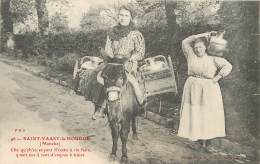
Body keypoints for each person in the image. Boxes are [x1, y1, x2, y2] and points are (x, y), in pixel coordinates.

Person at [87, 4, 145, 120]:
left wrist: (129, 58)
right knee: (99, 75)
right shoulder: (112, 33)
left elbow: (140, 52)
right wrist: (111, 58)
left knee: (132, 81)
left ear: (131, 17)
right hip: (113, 62)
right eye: (121, 15)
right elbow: (108, 49)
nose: (123, 18)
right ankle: (100, 107)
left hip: (128, 62)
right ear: (118, 16)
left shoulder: (136, 34)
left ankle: (140, 104)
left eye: (126, 15)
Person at [177, 32, 232, 148]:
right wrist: (203, 35)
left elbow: (228, 66)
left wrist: (218, 77)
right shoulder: (190, 55)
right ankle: (196, 140)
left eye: (200, 47)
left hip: (209, 89)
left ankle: (207, 143)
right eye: (196, 47)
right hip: (192, 88)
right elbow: (185, 42)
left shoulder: (213, 58)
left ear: (206, 47)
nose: (197, 50)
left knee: (207, 114)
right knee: (194, 113)